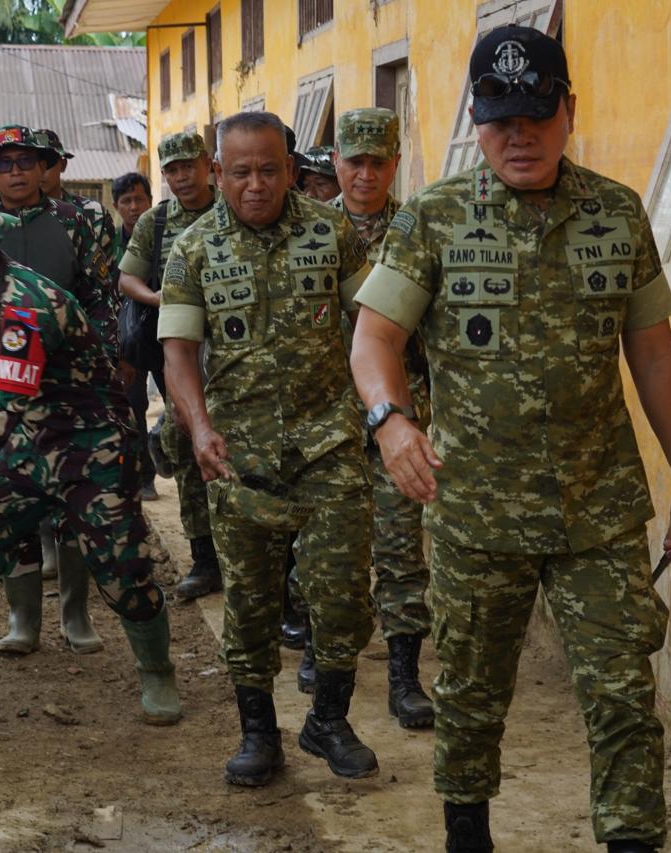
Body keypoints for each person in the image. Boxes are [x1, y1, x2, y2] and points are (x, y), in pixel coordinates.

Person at [348, 27, 671, 853]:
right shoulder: (435, 218)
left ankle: (631, 842)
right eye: (500, 117)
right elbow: (374, 340)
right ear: (476, 118)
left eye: (537, 114)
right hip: (475, 512)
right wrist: (391, 418)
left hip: (599, 508)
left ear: (569, 111)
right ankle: (467, 835)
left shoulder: (618, 213)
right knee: (473, 695)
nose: (520, 135)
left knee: (622, 695)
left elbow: (652, 352)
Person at [0, 184, 181, 734]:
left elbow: (3, 406)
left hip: (92, 447)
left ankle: (158, 671)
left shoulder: (26, 303)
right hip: (29, 444)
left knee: (123, 572)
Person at [159, 111, 376, 787]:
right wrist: (197, 427)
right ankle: (258, 732)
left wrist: (387, 412)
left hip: (329, 444)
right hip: (238, 457)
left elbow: (371, 327)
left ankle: (329, 719)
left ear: (291, 169)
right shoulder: (191, 250)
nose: (256, 185)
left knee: (340, 596)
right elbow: (179, 352)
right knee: (249, 605)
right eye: (241, 172)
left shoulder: (331, 230)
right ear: (218, 172)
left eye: (270, 170)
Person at [0, 123, 115, 656]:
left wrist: (105, 365)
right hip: (4, 389)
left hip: (69, 387)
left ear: (43, 168)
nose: (16, 172)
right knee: (14, 503)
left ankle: (75, 613)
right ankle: (23, 618)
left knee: (73, 502)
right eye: (4, 164)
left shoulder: (81, 220)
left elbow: (101, 294)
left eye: (26, 162)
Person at [331, 107, 433, 729]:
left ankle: (404, 676)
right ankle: (329, 656)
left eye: (378, 162)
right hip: (329, 422)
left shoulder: (419, 228)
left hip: (399, 413)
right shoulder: (311, 232)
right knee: (331, 553)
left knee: (399, 548)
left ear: (395, 162)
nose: (366, 174)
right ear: (337, 162)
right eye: (354, 161)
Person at [117, 132, 222, 600]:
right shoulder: (155, 223)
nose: (181, 177)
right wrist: (158, 298)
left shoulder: (233, 208)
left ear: (207, 165)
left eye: (188, 166)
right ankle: (204, 558)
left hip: (238, 354)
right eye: (172, 169)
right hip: (177, 353)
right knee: (186, 449)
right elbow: (126, 278)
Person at [110, 171, 157, 499]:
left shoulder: (164, 233)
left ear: (150, 201)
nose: (134, 206)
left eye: (139, 199)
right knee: (135, 405)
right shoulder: (109, 243)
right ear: (116, 206)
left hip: (169, 336)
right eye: (126, 201)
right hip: (130, 341)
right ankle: (145, 476)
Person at [39, 127, 118, 278]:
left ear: (62, 164)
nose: (39, 171)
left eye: (47, 164)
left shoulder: (94, 214)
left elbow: (109, 273)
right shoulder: (12, 217)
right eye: (31, 163)